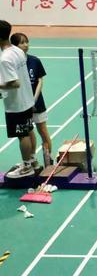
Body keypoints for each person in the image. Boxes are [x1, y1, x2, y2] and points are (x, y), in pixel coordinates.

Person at [0, 20, 38, 179]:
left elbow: (15, 83)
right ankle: (33, 161)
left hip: (17, 104)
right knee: (28, 130)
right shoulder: (17, 50)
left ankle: (26, 167)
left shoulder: (5, 58)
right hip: (27, 99)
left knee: (22, 135)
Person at [9, 33, 52, 167]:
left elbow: (40, 81)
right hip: (22, 104)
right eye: (22, 43)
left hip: (36, 102)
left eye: (27, 42)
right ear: (14, 46)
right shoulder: (13, 63)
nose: (26, 45)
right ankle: (32, 159)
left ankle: (48, 161)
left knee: (43, 131)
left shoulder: (34, 60)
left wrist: (33, 99)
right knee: (28, 131)